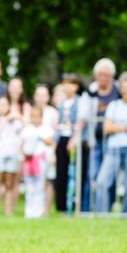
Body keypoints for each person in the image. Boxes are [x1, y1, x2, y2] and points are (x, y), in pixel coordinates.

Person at [95, 72, 127, 214]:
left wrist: (117, 127)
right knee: (102, 181)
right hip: (113, 148)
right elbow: (107, 128)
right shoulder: (114, 105)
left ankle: (126, 215)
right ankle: (102, 213)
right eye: (124, 88)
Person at [74, 58, 119, 211]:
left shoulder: (118, 91)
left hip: (113, 141)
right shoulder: (90, 92)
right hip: (94, 141)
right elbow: (82, 117)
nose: (103, 78)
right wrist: (76, 136)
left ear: (112, 76)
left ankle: (106, 208)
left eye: (106, 74)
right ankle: (87, 208)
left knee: (109, 177)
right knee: (91, 175)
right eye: (100, 74)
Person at [54, 74, 82, 213]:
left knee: (74, 173)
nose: (67, 87)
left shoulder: (80, 102)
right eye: (65, 83)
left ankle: (74, 204)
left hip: (74, 140)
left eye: (70, 84)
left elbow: (80, 123)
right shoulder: (61, 104)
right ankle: (61, 205)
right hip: (61, 138)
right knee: (61, 173)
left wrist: (74, 139)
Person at [21, 106, 53, 218]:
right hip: (28, 160)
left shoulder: (45, 129)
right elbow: (22, 145)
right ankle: (29, 211)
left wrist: (40, 137)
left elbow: (50, 142)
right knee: (29, 187)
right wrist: (24, 154)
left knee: (39, 186)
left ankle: (39, 211)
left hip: (40, 160)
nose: (35, 119)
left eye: (37, 116)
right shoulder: (27, 130)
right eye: (33, 116)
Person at [32, 83, 59, 214]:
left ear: (48, 97)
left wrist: (53, 151)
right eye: (39, 95)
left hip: (48, 151)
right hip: (33, 152)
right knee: (34, 181)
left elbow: (56, 134)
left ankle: (46, 210)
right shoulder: (31, 111)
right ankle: (34, 209)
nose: (41, 98)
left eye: (44, 95)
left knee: (48, 180)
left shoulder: (53, 112)